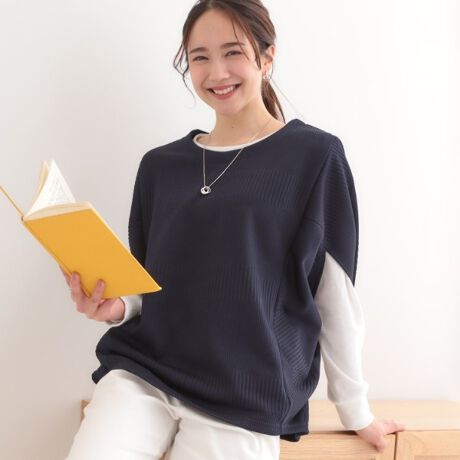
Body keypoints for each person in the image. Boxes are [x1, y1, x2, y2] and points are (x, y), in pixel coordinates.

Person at [62, 1, 405, 459]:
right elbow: (152, 281)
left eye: (233, 52)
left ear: (267, 56)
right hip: (143, 373)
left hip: (245, 390)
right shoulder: (160, 167)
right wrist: (117, 307)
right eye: (200, 57)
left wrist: (355, 410)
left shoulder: (314, 156)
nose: (217, 72)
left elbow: (333, 292)